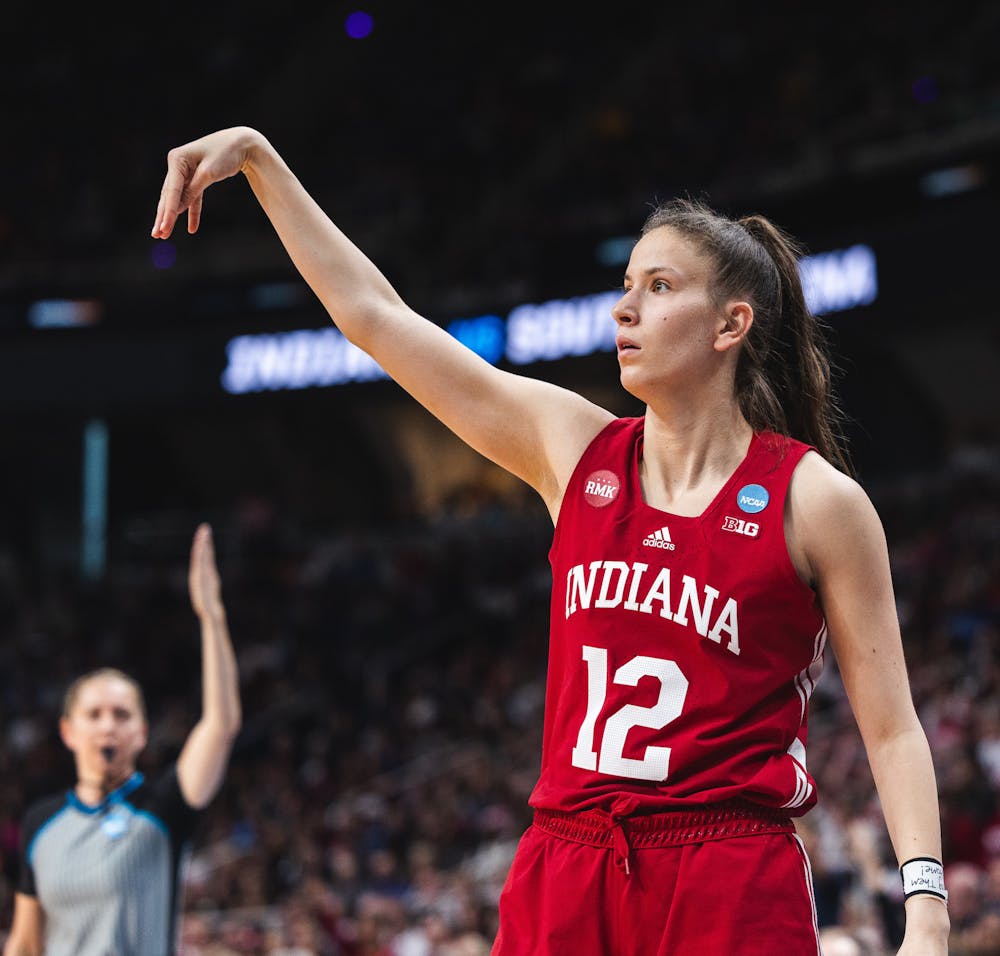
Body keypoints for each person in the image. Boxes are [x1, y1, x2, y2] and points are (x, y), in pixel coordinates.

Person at [150, 128, 950, 955]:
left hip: (728, 868)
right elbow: (375, 319)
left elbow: (891, 727)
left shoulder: (818, 500)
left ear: (730, 324)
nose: (624, 308)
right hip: (568, 860)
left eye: (660, 285)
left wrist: (925, 907)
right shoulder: (573, 448)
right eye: (626, 284)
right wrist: (261, 160)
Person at [3, 524, 241, 956]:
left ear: (142, 733)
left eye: (122, 715)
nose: (108, 726)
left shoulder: (165, 808)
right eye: (94, 715)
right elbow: (24, 943)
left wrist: (212, 617)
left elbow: (220, 725)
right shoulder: (40, 823)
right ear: (68, 732)